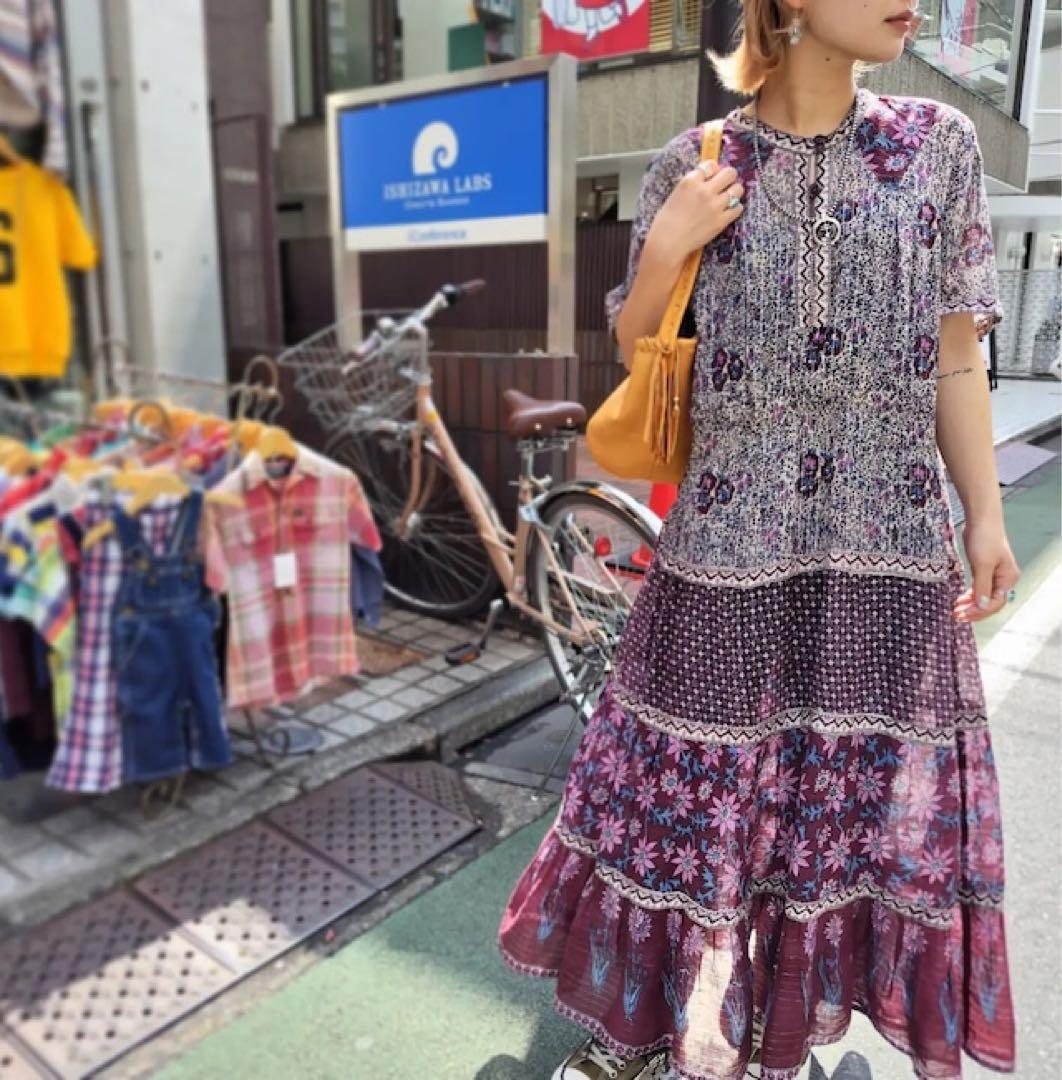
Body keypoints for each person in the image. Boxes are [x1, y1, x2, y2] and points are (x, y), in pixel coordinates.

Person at [496, 1, 1021, 1078]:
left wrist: (986, 513)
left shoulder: (942, 146)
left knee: (838, 814)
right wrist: (666, 245)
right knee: (693, 809)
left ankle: (781, 1031)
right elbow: (638, 343)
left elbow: (956, 354)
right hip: (726, 550)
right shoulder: (693, 161)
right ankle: (655, 1024)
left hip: (886, 545)